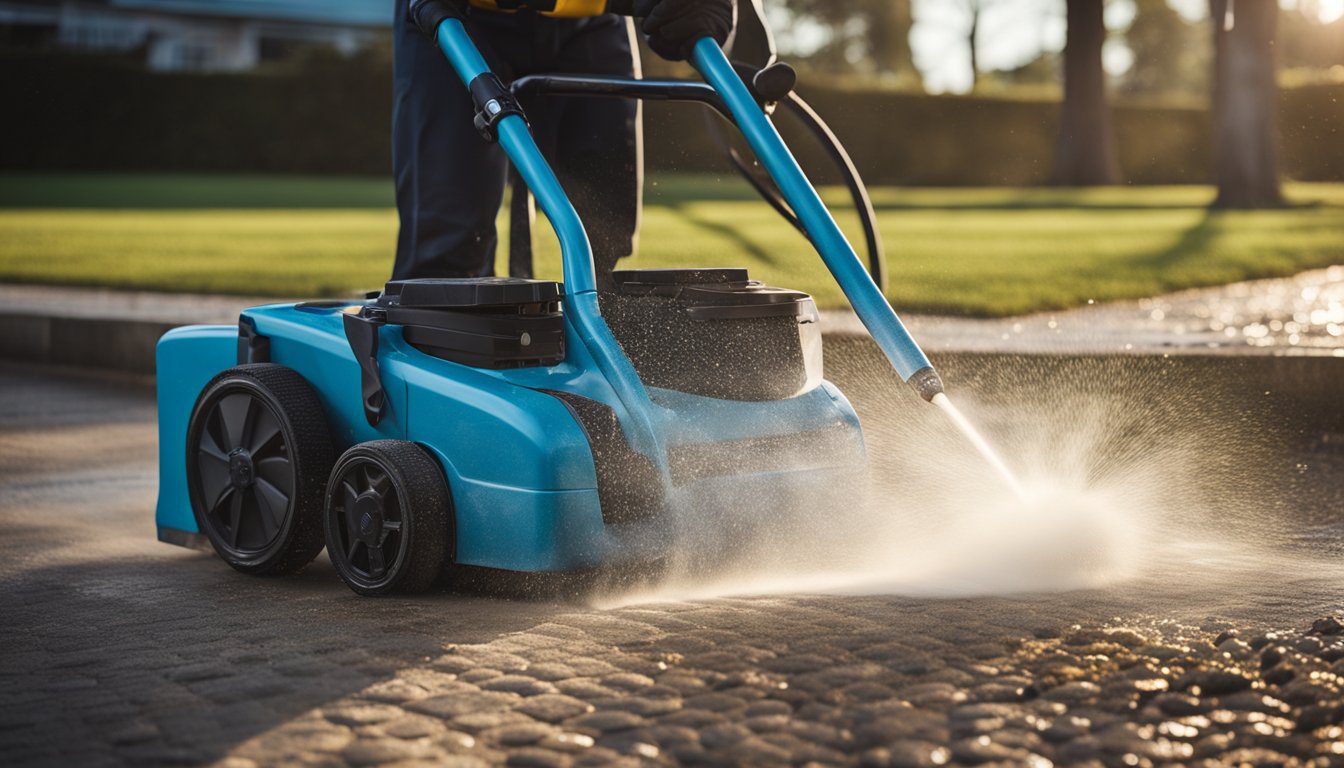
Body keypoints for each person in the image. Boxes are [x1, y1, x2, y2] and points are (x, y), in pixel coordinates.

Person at [391, 0, 737, 283]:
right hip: (452, 13)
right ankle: (439, 344)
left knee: (602, 233)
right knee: (447, 246)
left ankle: (599, 342)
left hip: (595, 17)